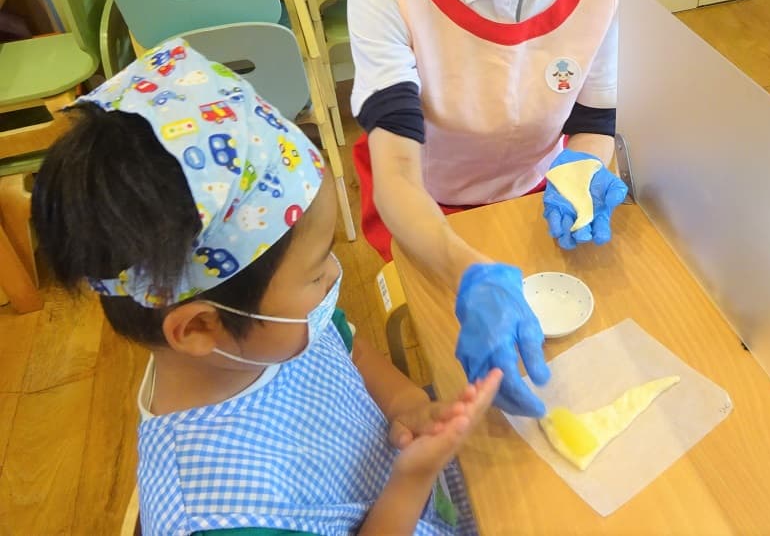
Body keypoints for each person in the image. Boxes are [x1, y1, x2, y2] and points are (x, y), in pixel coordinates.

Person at [31, 40, 500, 536]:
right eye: (317, 273)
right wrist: (410, 482)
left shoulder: (264, 333)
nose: (337, 277)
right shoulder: (217, 517)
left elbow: (345, 345)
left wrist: (408, 404)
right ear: (199, 327)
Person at [348, 0, 630, 419]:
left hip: (536, 190)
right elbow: (393, 170)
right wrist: (463, 268)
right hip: (429, 202)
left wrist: (582, 169)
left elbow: (593, 115)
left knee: (579, 354)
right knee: (456, 364)